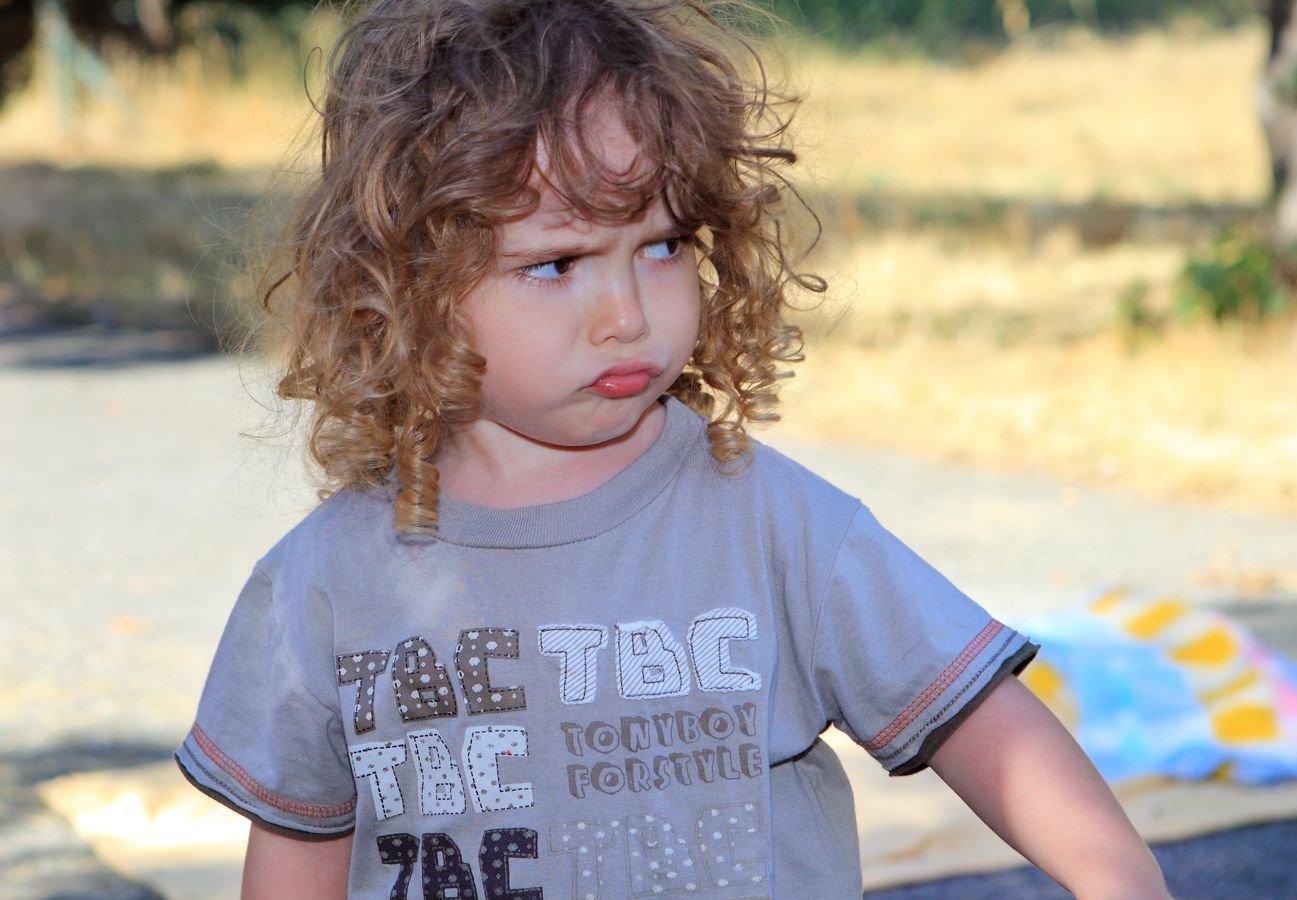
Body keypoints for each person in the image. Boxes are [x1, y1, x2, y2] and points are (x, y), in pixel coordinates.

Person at [174, 1, 1169, 897]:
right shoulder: (330, 579)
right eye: (556, 263)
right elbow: (300, 843)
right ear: (405, 285)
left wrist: (1118, 879)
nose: (626, 314)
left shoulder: (766, 519)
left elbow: (978, 721)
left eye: (659, 246)